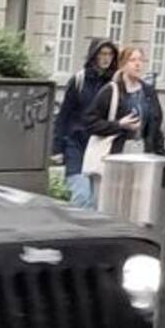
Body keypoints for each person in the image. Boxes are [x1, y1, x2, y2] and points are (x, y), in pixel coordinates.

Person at [52, 39, 122, 207]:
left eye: (110, 54)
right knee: (82, 196)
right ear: (94, 56)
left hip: (100, 146)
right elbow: (64, 115)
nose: (106, 58)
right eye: (102, 54)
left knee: (98, 200)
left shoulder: (115, 84)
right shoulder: (79, 80)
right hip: (76, 144)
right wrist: (57, 148)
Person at [113, 45, 165, 157]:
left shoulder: (148, 91)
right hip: (117, 152)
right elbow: (93, 122)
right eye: (132, 60)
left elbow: (156, 126)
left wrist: (161, 152)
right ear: (122, 65)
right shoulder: (112, 90)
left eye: (141, 60)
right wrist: (118, 124)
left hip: (143, 151)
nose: (138, 64)